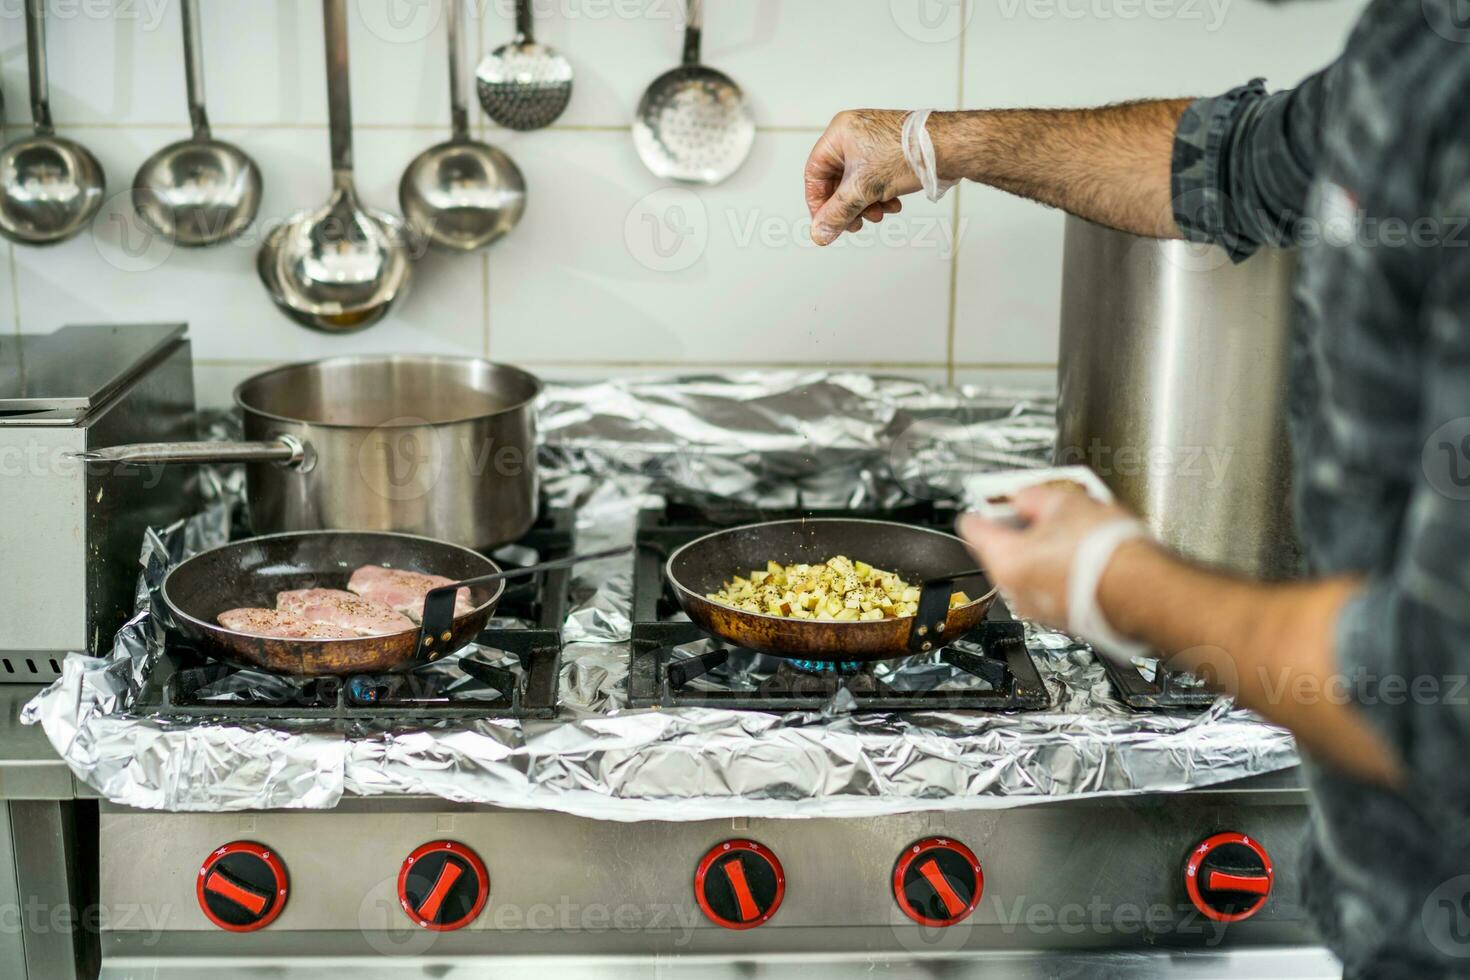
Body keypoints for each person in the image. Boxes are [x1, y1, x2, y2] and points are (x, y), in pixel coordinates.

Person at [804, 3, 1470, 976]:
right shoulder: (1422, 47)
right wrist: (933, 144)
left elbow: (1438, 684)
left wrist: (1114, 579)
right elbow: (1240, 163)